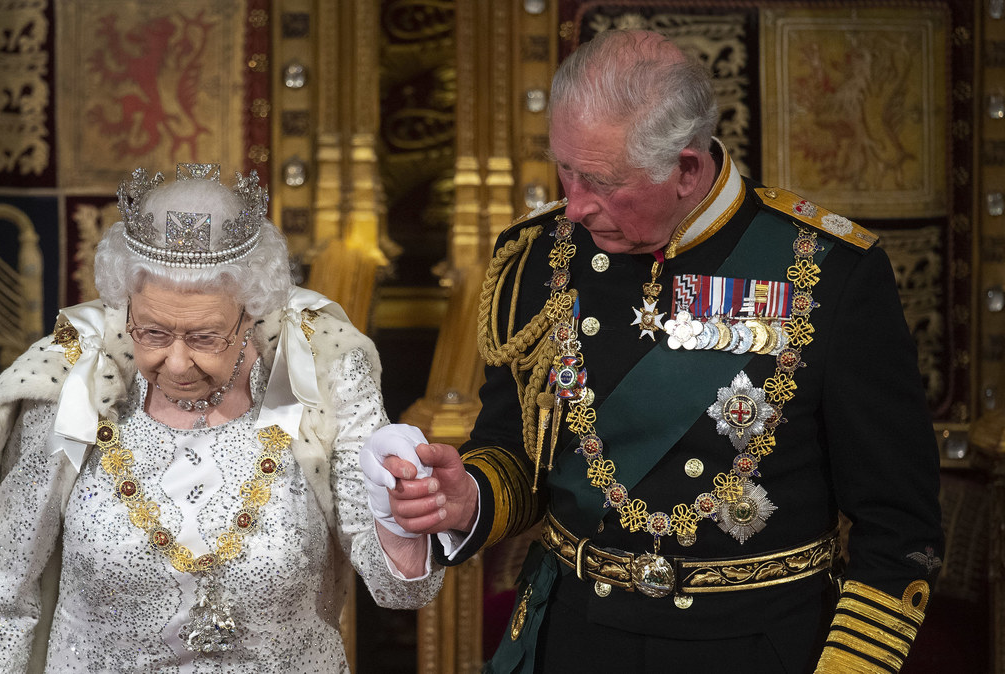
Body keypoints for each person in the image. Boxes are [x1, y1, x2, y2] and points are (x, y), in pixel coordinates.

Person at [365, 29, 943, 673]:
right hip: (575, 640)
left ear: (686, 170)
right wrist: (471, 494)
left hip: (756, 649)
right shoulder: (537, 257)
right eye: (566, 168)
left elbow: (899, 530)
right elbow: (516, 450)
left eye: (603, 181)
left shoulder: (829, 270)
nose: (575, 204)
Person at [0, 164, 442, 673]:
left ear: (252, 311)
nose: (175, 363)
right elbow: (3, 594)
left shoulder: (325, 371)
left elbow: (400, 591)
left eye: (204, 338)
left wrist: (402, 520)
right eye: (151, 333)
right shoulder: (73, 378)